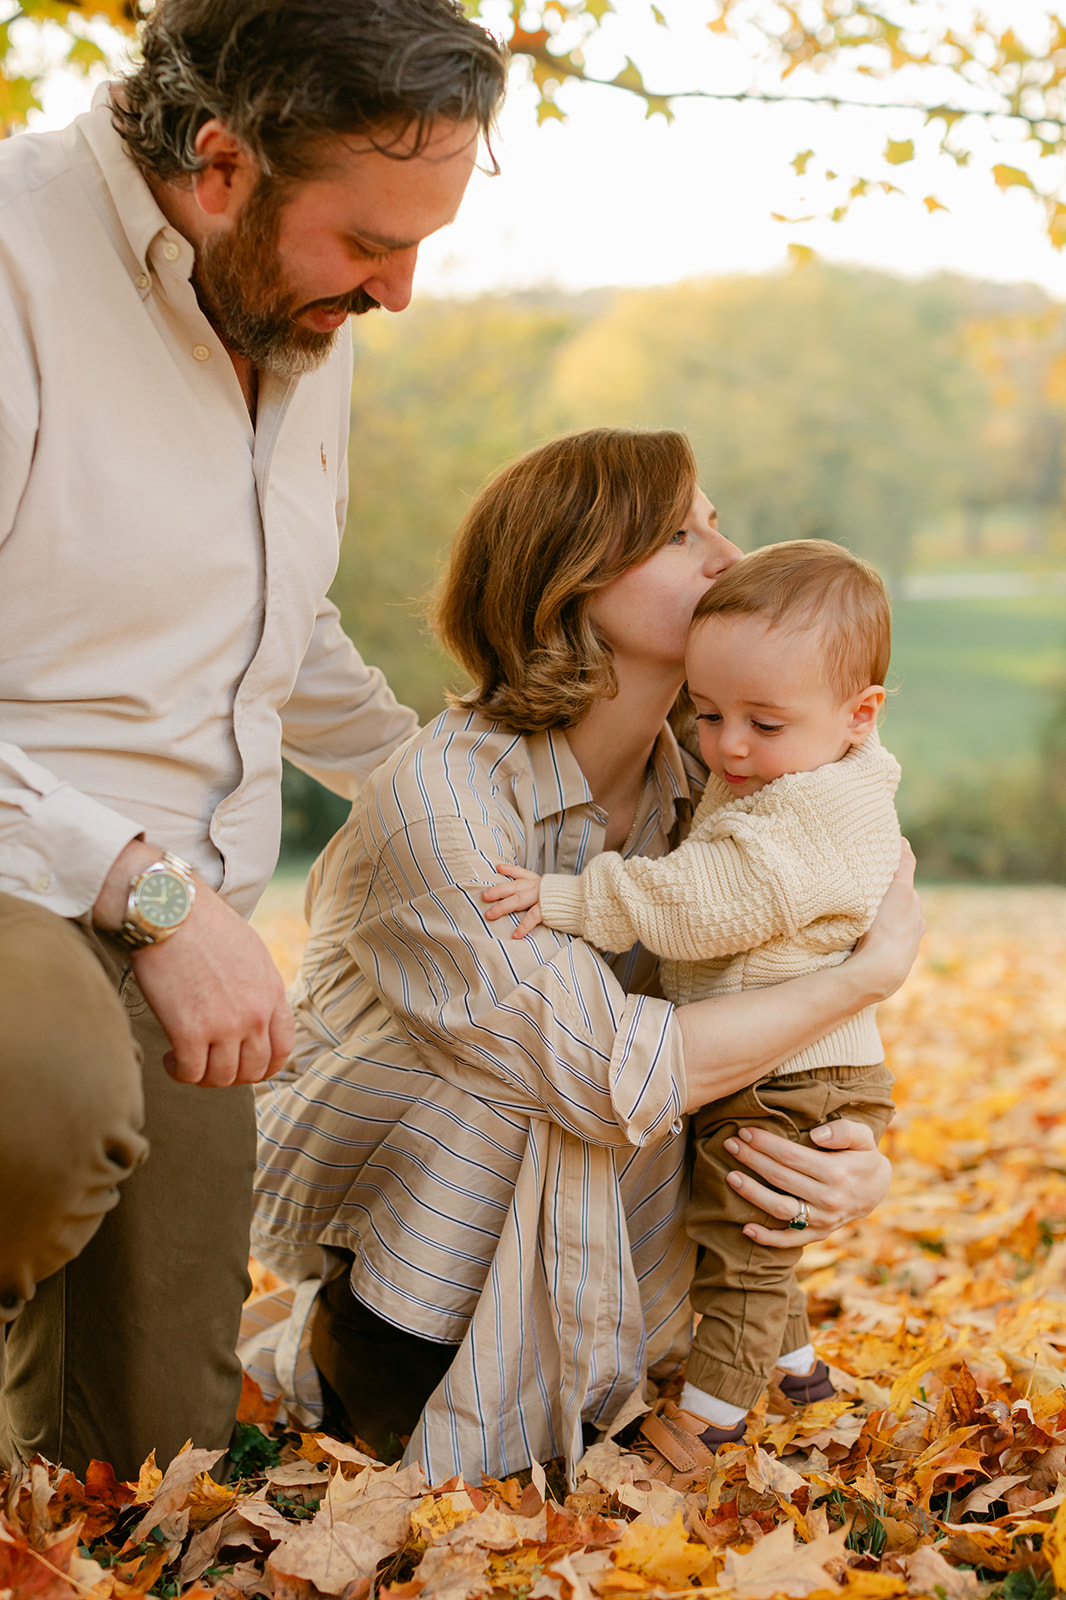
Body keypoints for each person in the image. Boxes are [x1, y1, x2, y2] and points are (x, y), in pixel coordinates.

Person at [0, 0, 506, 1479]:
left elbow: (278, 633)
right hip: (39, 884)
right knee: (38, 1100)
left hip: (177, 934)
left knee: (139, 1462)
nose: (399, 293)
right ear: (221, 164)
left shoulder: (283, 300)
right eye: (368, 245)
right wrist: (149, 893)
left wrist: (454, 798)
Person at [251, 430, 923, 1484]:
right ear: (570, 576)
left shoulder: (729, 802)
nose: (724, 554)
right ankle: (398, 1388)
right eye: (677, 532)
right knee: (531, 1083)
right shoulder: (441, 801)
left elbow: (779, 1004)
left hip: (598, 1254)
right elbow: (608, 1072)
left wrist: (851, 1155)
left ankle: (638, 1369)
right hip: (406, 1259)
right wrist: (864, 977)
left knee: (680, 1057)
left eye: (713, 519)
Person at [482, 539, 901, 1466]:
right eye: (707, 714)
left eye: (764, 721)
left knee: (748, 1244)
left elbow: (697, 900)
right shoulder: (812, 766)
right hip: (783, 1058)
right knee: (741, 1222)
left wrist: (566, 898)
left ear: (859, 714)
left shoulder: (805, 814)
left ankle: (713, 1420)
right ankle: (800, 1374)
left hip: (795, 1077)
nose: (729, 746)